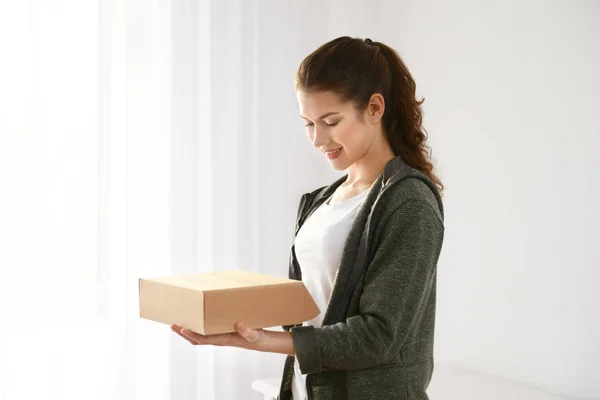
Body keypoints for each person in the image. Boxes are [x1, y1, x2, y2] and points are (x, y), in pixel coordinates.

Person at [172, 36, 445, 400]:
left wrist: (264, 341)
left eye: (331, 121)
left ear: (375, 107)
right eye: (308, 123)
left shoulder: (409, 202)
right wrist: (233, 317)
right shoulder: (322, 201)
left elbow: (378, 337)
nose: (318, 139)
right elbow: (312, 307)